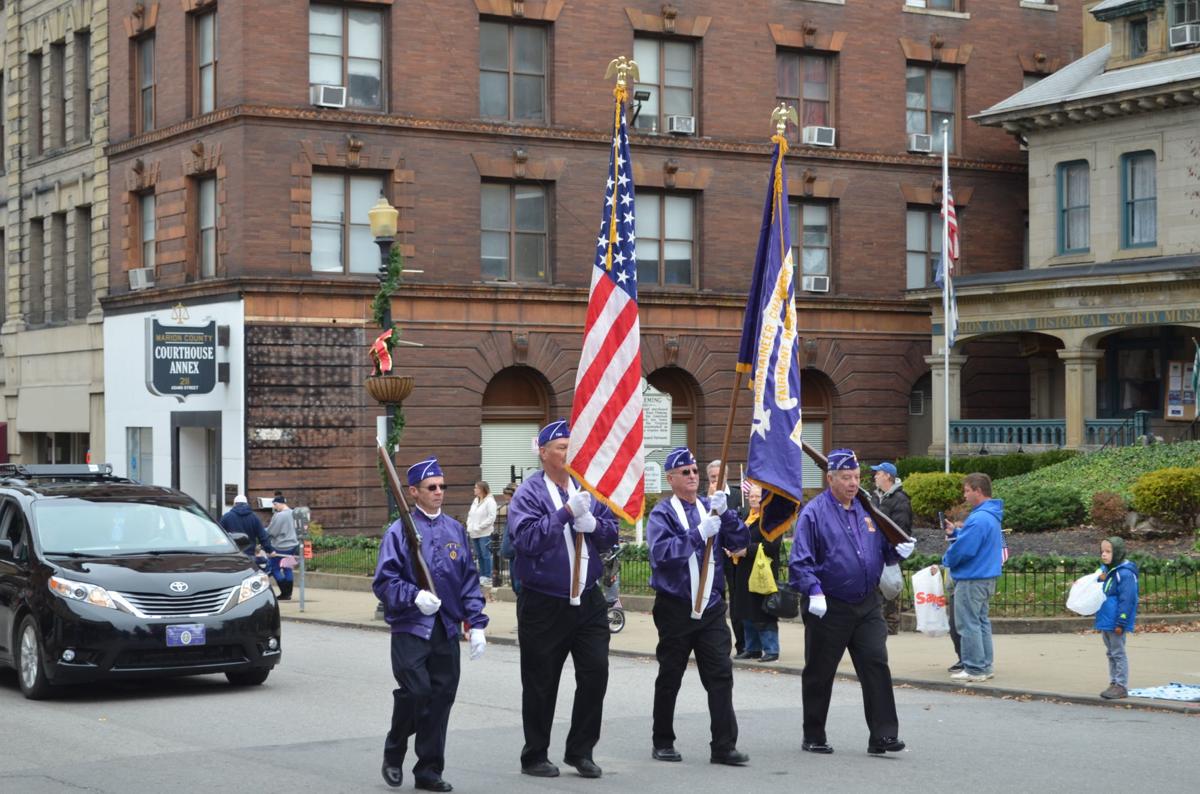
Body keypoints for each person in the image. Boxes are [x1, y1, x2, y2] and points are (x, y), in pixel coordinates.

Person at [507, 420, 618, 779]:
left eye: (572, 446)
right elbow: (526, 540)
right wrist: (565, 514)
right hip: (544, 602)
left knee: (596, 672)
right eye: (562, 447)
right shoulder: (529, 493)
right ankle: (535, 754)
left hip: (587, 599)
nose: (569, 453)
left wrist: (594, 526)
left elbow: (612, 533)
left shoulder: (587, 488)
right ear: (543, 453)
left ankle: (580, 750)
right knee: (541, 681)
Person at [788, 448, 915, 756]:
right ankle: (814, 734)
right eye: (846, 477)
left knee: (876, 664)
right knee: (820, 672)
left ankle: (883, 735)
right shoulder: (814, 513)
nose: (853, 483)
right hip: (829, 603)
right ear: (830, 478)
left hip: (866, 603)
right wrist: (813, 589)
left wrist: (898, 551)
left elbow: (881, 550)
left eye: (856, 477)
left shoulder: (867, 509)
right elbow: (800, 560)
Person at [374, 456, 489, 792]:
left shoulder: (455, 530)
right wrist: (413, 596)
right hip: (411, 627)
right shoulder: (399, 532)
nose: (439, 492)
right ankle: (395, 748)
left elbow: (468, 581)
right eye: (431, 487)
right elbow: (384, 582)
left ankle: (428, 770)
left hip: (446, 627)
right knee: (417, 692)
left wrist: (477, 623)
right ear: (414, 492)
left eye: (442, 486)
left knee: (441, 698)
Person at [647, 447, 751, 766]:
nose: (693, 476)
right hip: (676, 607)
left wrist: (727, 514)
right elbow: (661, 554)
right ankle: (663, 740)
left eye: (695, 470)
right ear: (671, 479)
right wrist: (697, 534)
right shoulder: (662, 514)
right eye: (685, 472)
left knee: (720, 675)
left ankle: (724, 745)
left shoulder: (710, 507)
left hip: (711, 608)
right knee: (671, 675)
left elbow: (740, 543)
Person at [940, 472, 1004, 684]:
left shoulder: (978, 519)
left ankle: (975, 668)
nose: (965, 495)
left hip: (972, 578)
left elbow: (964, 550)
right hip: (986, 576)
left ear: (978, 491)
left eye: (967, 490)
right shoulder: (990, 515)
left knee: (968, 624)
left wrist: (947, 558)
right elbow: (975, 541)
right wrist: (957, 533)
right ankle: (984, 665)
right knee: (981, 622)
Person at [732, 484, 781, 662]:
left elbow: (772, 546)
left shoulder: (771, 520)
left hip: (762, 572)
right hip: (744, 571)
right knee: (747, 611)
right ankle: (752, 649)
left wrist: (746, 551)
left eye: (757, 496)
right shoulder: (747, 517)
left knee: (763, 612)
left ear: (766, 498)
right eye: (751, 496)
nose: (753, 499)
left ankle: (771, 650)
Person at [707, 459, 746, 656]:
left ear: (726, 476)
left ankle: (743, 644)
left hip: (734, 557)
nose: (716, 480)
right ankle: (717, 643)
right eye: (712, 477)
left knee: (738, 602)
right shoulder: (704, 499)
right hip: (715, 558)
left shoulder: (739, 496)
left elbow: (742, 523)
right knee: (716, 600)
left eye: (719, 476)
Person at [869, 462, 913, 635]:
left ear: (888, 476)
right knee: (876, 589)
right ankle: (877, 624)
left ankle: (891, 625)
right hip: (874, 549)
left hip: (890, 551)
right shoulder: (875, 497)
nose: (875, 476)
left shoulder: (900, 499)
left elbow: (901, 529)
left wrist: (891, 549)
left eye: (878, 473)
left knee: (890, 587)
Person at [1095, 536, 1138, 700]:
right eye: (1102, 551)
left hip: (1116, 621)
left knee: (1118, 653)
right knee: (1111, 653)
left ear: (1117, 553)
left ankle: (1121, 685)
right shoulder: (1107, 572)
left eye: (1108, 551)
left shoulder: (1125, 574)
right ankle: (1114, 682)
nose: (1103, 554)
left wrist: (1122, 621)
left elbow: (1128, 599)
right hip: (1106, 620)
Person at [265, 494, 301, 600]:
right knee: (287, 568)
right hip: (292, 546)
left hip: (279, 546)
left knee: (275, 569)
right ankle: (289, 593)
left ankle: (284, 592)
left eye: (275, 505)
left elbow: (272, 531)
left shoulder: (279, 516)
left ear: (279, 504)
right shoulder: (294, 513)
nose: (274, 507)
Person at [219, 494, 273, 559]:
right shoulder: (254, 518)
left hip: (232, 554)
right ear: (247, 504)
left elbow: (219, 535)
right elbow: (263, 536)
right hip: (249, 555)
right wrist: (270, 550)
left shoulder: (226, 517)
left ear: (234, 504)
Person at [467, 481, 498, 589]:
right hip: (474, 533)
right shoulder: (475, 500)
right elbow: (470, 515)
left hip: (484, 533)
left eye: (476, 488)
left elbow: (491, 517)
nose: (474, 489)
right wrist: (469, 525)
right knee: (479, 555)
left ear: (482, 489)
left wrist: (480, 527)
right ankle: (482, 575)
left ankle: (488, 576)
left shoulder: (490, 501)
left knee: (486, 555)